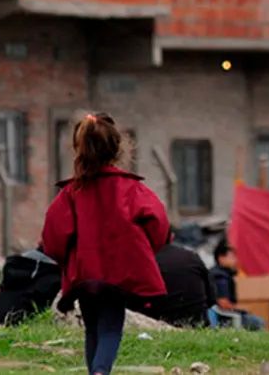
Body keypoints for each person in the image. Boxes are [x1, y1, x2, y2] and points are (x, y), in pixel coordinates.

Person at [41, 112, 170, 375]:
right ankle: (100, 372)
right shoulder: (132, 189)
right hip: (118, 274)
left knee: (92, 328)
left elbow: (53, 237)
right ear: (117, 148)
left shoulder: (71, 193)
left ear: (79, 150)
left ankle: (95, 372)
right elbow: (158, 224)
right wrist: (143, 251)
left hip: (85, 275)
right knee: (111, 327)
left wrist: (67, 258)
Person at [139, 243, 214, 328]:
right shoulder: (191, 257)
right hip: (198, 325)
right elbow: (212, 298)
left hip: (155, 325)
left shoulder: (142, 259)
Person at [208, 241, 265, 331]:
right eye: (231, 257)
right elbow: (223, 303)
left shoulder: (216, 273)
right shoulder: (221, 277)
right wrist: (241, 309)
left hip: (220, 315)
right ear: (221, 258)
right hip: (224, 317)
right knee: (258, 322)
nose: (235, 260)